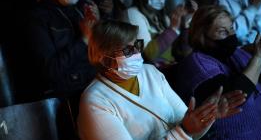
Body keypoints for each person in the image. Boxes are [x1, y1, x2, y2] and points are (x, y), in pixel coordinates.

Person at [78, 19, 247, 140]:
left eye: (137, 46)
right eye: (128, 51)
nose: (137, 53)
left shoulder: (149, 72)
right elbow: (185, 131)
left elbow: (188, 127)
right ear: (104, 59)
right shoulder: (95, 101)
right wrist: (184, 131)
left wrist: (206, 117)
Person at [172, 5, 261, 140]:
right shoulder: (195, 64)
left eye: (231, 28)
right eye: (222, 31)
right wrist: (259, 58)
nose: (231, 35)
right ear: (202, 36)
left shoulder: (237, 54)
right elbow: (235, 97)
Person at [24, 0, 99, 102]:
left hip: (93, 84)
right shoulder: (38, 18)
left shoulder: (80, 10)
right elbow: (50, 71)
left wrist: (98, 25)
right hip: (67, 97)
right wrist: (84, 39)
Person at [124, 0, 196, 68]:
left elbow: (184, 52)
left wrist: (185, 24)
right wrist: (173, 28)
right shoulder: (133, 14)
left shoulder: (162, 17)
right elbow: (148, 54)